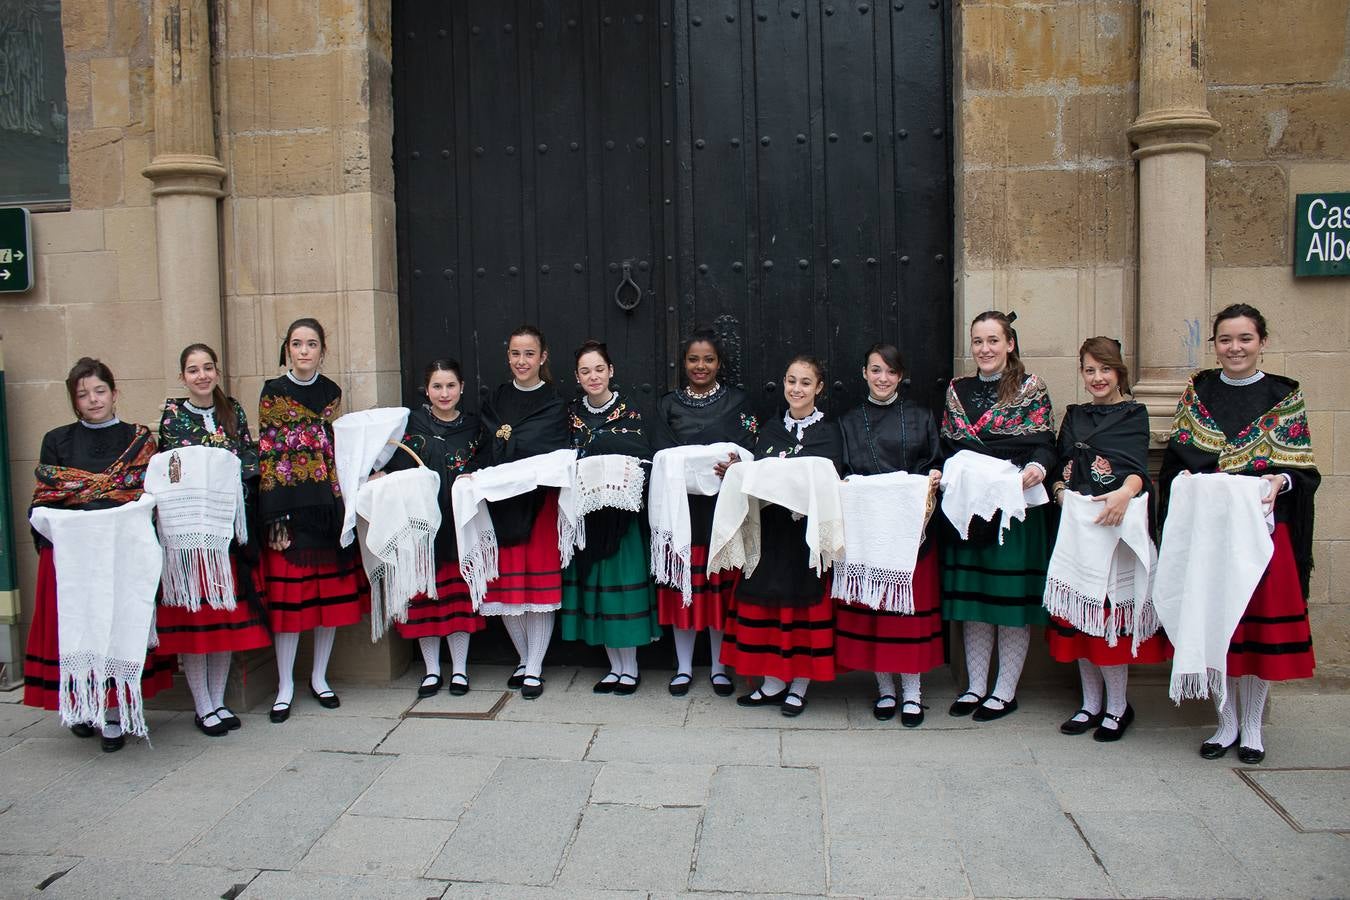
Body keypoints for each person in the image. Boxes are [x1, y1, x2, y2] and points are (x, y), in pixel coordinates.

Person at [1159, 304, 1318, 764]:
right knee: (1219, 626)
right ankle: (1224, 721)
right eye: (1226, 340)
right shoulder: (1199, 393)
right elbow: (1176, 462)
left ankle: (1252, 728)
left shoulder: (1284, 397)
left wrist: (1279, 481)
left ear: (1262, 342)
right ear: (1214, 345)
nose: (1235, 348)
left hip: (1265, 533)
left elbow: (1303, 471)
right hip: (1210, 534)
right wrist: (1183, 484)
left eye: (1245, 339)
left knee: (1255, 633)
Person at [23, 358, 174, 752]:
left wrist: (88, 498)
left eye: (99, 391)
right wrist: (95, 503)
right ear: (74, 400)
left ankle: (111, 713)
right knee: (80, 626)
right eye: (83, 394)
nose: (93, 400)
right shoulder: (56, 440)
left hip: (121, 552)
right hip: (74, 555)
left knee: (115, 626)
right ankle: (83, 706)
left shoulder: (138, 439)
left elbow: (144, 491)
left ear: (114, 392)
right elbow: (48, 494)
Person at [1046, 337, 1170, 742]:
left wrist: (1123, 493)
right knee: (1082, 619)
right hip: (1079, 529)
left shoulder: (1134, 413)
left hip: (1114, 528)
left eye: (1104, 369)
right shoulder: (1074, 415)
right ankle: (1090, 704)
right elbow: (1062, 464)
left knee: (1107, 621)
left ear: (1119, 371)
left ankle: (1118, 707)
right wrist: (1061, 493)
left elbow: (1136, 468)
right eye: (1089, 369)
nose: (1097, 377)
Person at [940, 310, 1055, 722]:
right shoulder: (958, 390)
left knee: (1007, 603)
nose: (984, 349)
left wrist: (1038, 468)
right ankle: (974, 686)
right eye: (978, 341)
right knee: (975, 602)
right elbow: (949, 446)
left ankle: (1005, 690)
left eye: (993, 340)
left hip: (1013, 508)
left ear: (1009, 344)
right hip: (969, 507)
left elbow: (1045, 443)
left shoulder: (1031, 388)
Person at [720, 355, 845, 716]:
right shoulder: (770, 430)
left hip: (806, 540)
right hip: (772, 534)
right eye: (791, 380)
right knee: (769, 606)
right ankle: (773, 682)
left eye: (805, 382)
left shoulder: (829, 433)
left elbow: (831, 480)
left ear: (819, 388)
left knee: (801, 610)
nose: (797, 389)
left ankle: (799, 685)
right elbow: (760, 476)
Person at [156, 344, 271, 736]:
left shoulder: (232, 410)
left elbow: (247, 458)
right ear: (183, 377)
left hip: (226, 529)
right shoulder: (172, 415)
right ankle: (201, 705)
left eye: (207, 368)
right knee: (197, 620)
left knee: (222, 619)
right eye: (193, 370)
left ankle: (218, 700)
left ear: (217, 372)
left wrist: (229, 472)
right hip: (191, 534)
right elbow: (174, 467)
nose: (202, 375)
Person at [258, 318, 367, 723]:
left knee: (328, 602)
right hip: (289, 509)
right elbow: (271, 454)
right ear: (287, 348)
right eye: (297, 344)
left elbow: (336, 446)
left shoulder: (331, 393)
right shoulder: (273, 393)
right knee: (292, 606)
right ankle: (285, 684)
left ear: (323, 350)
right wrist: (277, 521)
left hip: (327, 506)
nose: (304, 351)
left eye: (312, 344)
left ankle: (319, 678)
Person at [836, 344, 944, 726]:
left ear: (901, 376)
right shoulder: (848, 421)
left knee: (905, 614)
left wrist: (930, 479)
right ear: (864, 372)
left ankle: (912, 693)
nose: (883, 378)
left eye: (891, 372)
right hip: (868, 530)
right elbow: (843, 470)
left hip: (910, 529)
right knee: (875, 612)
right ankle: (885, 690)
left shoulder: (919, 416)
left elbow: (934, 461)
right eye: (876, 370)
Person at [651, 328, 758, 697]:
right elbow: (660, 455)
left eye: (708, 359)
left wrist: (736, 465)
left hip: (720, 512)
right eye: (693, 359)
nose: (700, 366)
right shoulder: (668, 405)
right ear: (684, 363)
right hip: (682, 512)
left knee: (716, 593)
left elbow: (750, 450)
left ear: (719, 363)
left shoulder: (738, 402)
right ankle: (682, 668)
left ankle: (718, 668)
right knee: (684, 588)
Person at [474, 325, 571, 699]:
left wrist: (513, 446)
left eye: (529, 354)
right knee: (508, 588)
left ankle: (534, 667)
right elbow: (487, 445)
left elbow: (548, 449)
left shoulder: (553, 401)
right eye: (515, 354)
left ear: (543, 357)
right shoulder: (496, 400)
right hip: (501, 506)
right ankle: (524, 658)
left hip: (539, 505)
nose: (522, 361)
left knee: (538, 586)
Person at [379, 359, 485, 699]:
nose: (444, 393)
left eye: (450, 386)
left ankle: (459, 669)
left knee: (457, 601)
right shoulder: (410, 426)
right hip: (422, 530)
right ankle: (431, 670)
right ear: (427, 390)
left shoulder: (473, 427)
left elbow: (485, 465)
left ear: (462, 388)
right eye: (437, 386)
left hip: (457, 524)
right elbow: (392, 466)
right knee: (425, 598)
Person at [562, 340, 661, 694]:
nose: (593, 377)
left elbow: (648, 455)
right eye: (586, 371)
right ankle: (613, 667)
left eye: (599, 369)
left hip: (623, 519)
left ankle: (630, 668)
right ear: (577, 376)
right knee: (600, 591)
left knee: (622, 591)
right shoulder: (571, 414)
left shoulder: (632, 411)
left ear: (611, 371)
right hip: (588, 517)